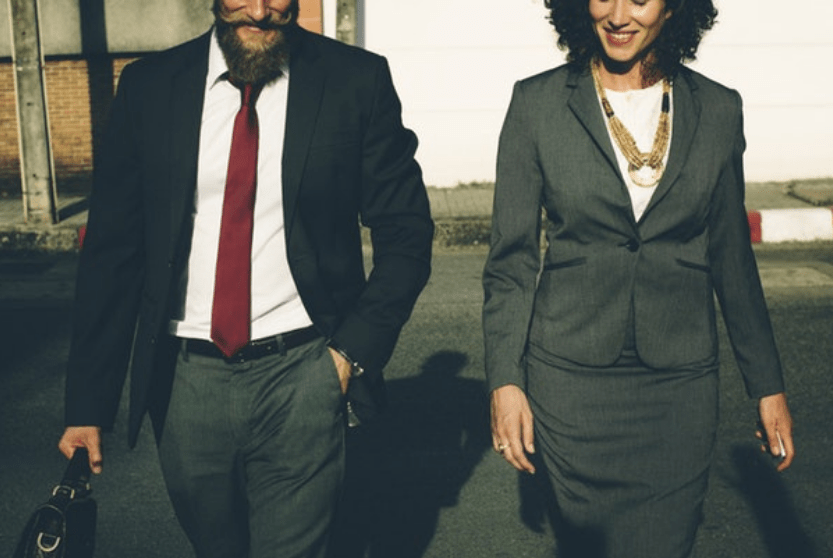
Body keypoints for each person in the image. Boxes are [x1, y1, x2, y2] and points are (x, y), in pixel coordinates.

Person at [57, 0, 433, 556]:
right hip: (185, 381)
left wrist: (349, 355)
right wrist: (87, 407)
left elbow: (406, 232)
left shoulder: (355, 81)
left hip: (304, 371)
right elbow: (114, 253)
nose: (259, 10)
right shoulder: (148, 87)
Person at [483, 1, 794, 557]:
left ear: (675, 8)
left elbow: (731, 258)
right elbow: (511, 262)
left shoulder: (719, 109)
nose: (619, 14)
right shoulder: (536, 104)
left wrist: (766, 385)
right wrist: (505, 382)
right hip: (569, 381)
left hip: (678, 388)